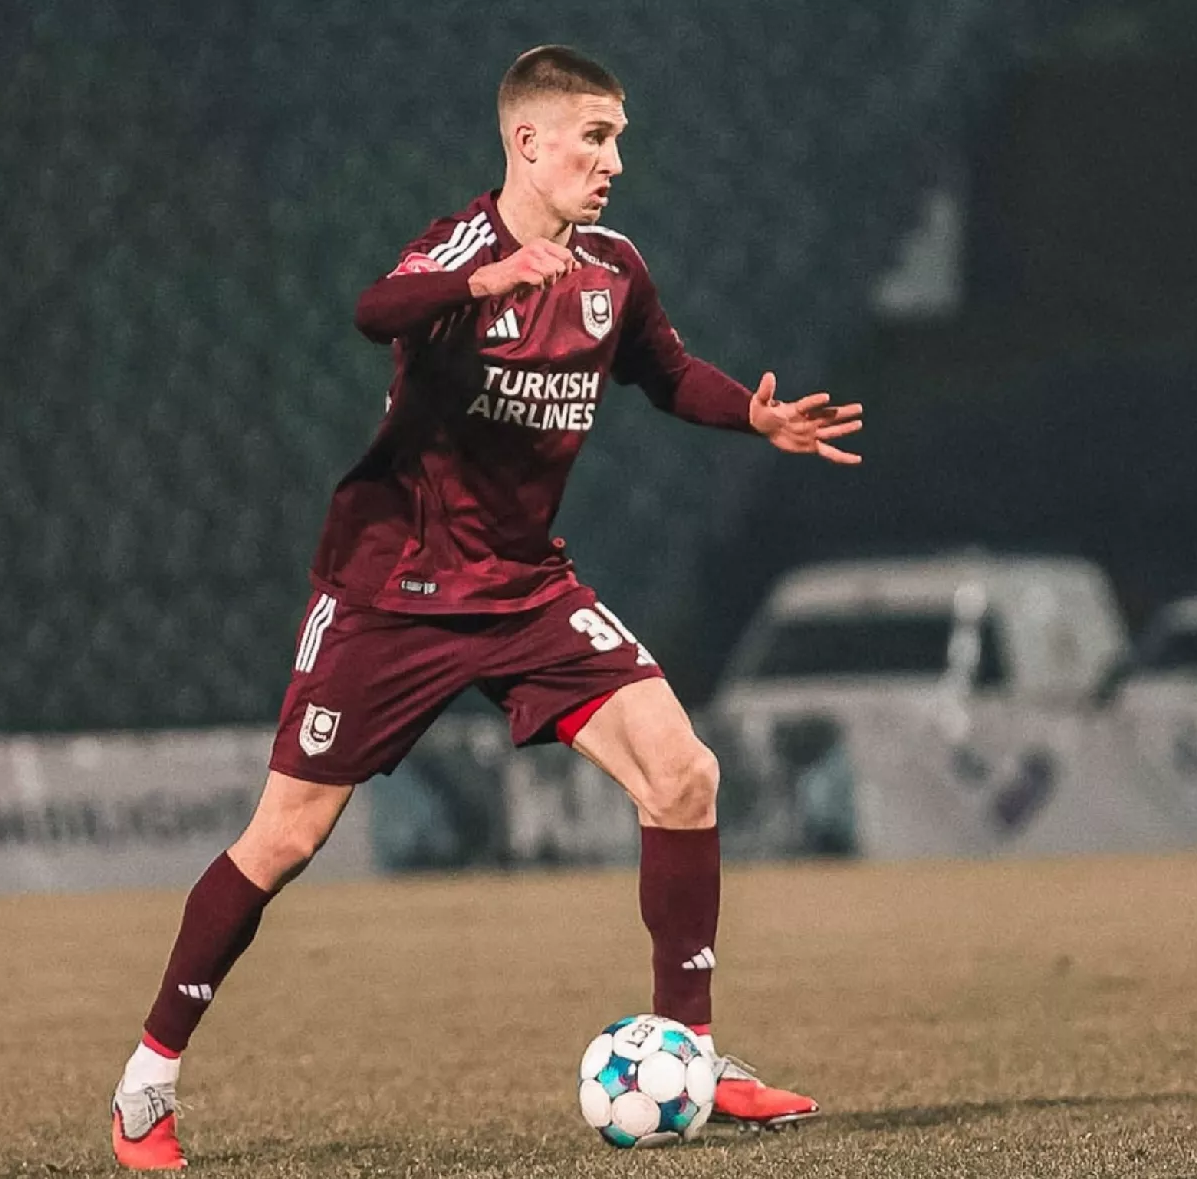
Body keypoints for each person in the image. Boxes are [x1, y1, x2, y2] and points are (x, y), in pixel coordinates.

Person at [109, 44, 861, 1170]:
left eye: (618, 140)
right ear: (528, 141)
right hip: (391, 593)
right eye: (594, 138)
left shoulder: (613, 268)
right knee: (286, 836)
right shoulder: (466, 250)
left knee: (684, 774)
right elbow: (375, 308)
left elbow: (665, 371)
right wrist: (478, 286)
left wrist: (752, 417)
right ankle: (147, 1083)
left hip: (525, 589)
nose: (613, 163)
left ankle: (696, 1055)